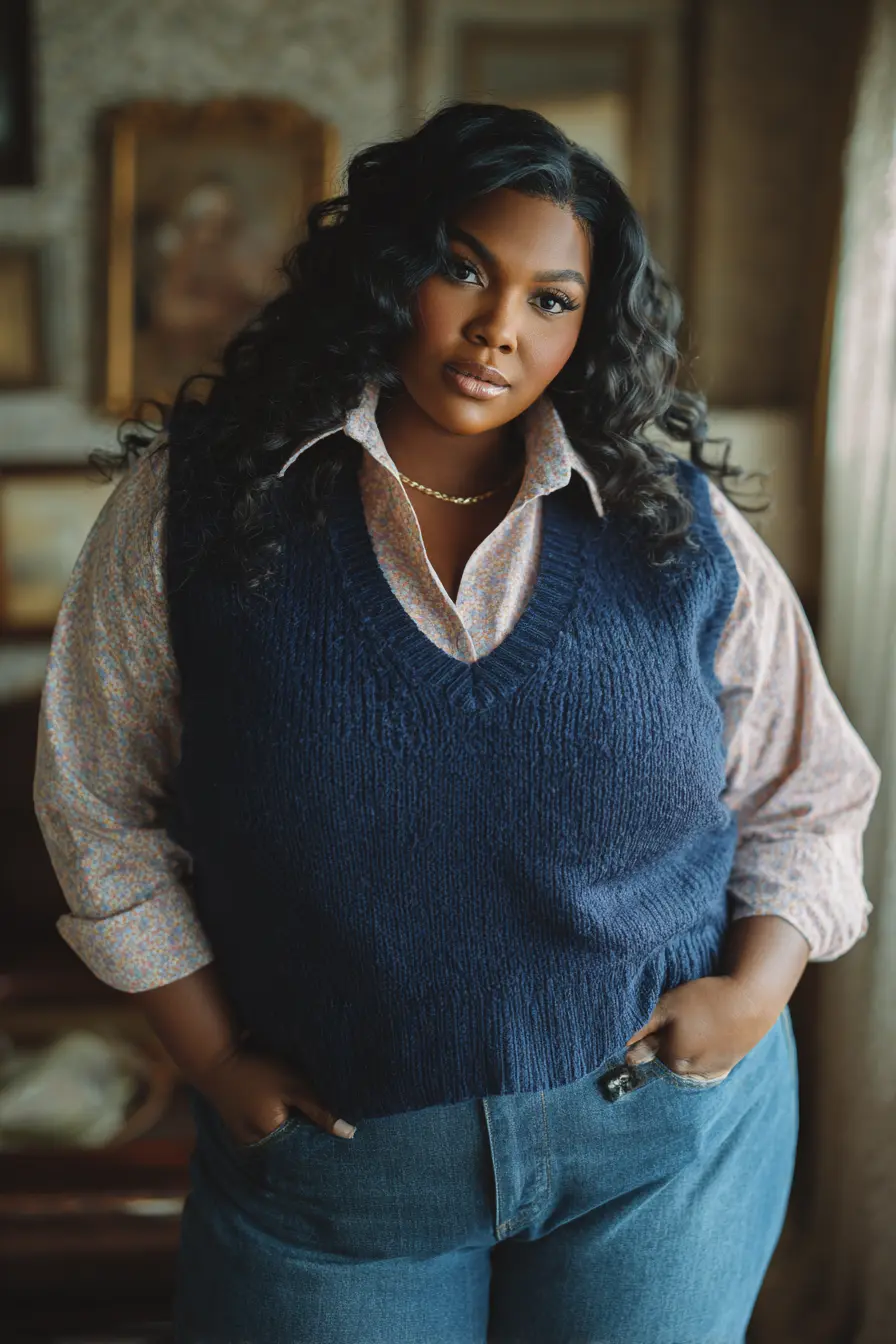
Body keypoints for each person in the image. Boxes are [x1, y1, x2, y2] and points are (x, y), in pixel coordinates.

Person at [34, 103, 880, 1344]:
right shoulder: (197, 506)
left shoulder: (672, 522)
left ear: (589, 324)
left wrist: (751, 995)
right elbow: (97, 801)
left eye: (552, 299)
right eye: (463, 270)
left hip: (656, 1150)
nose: (497, 329)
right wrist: (211, 1061)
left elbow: (810, 789)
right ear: (388, 269)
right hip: (339, 1171)